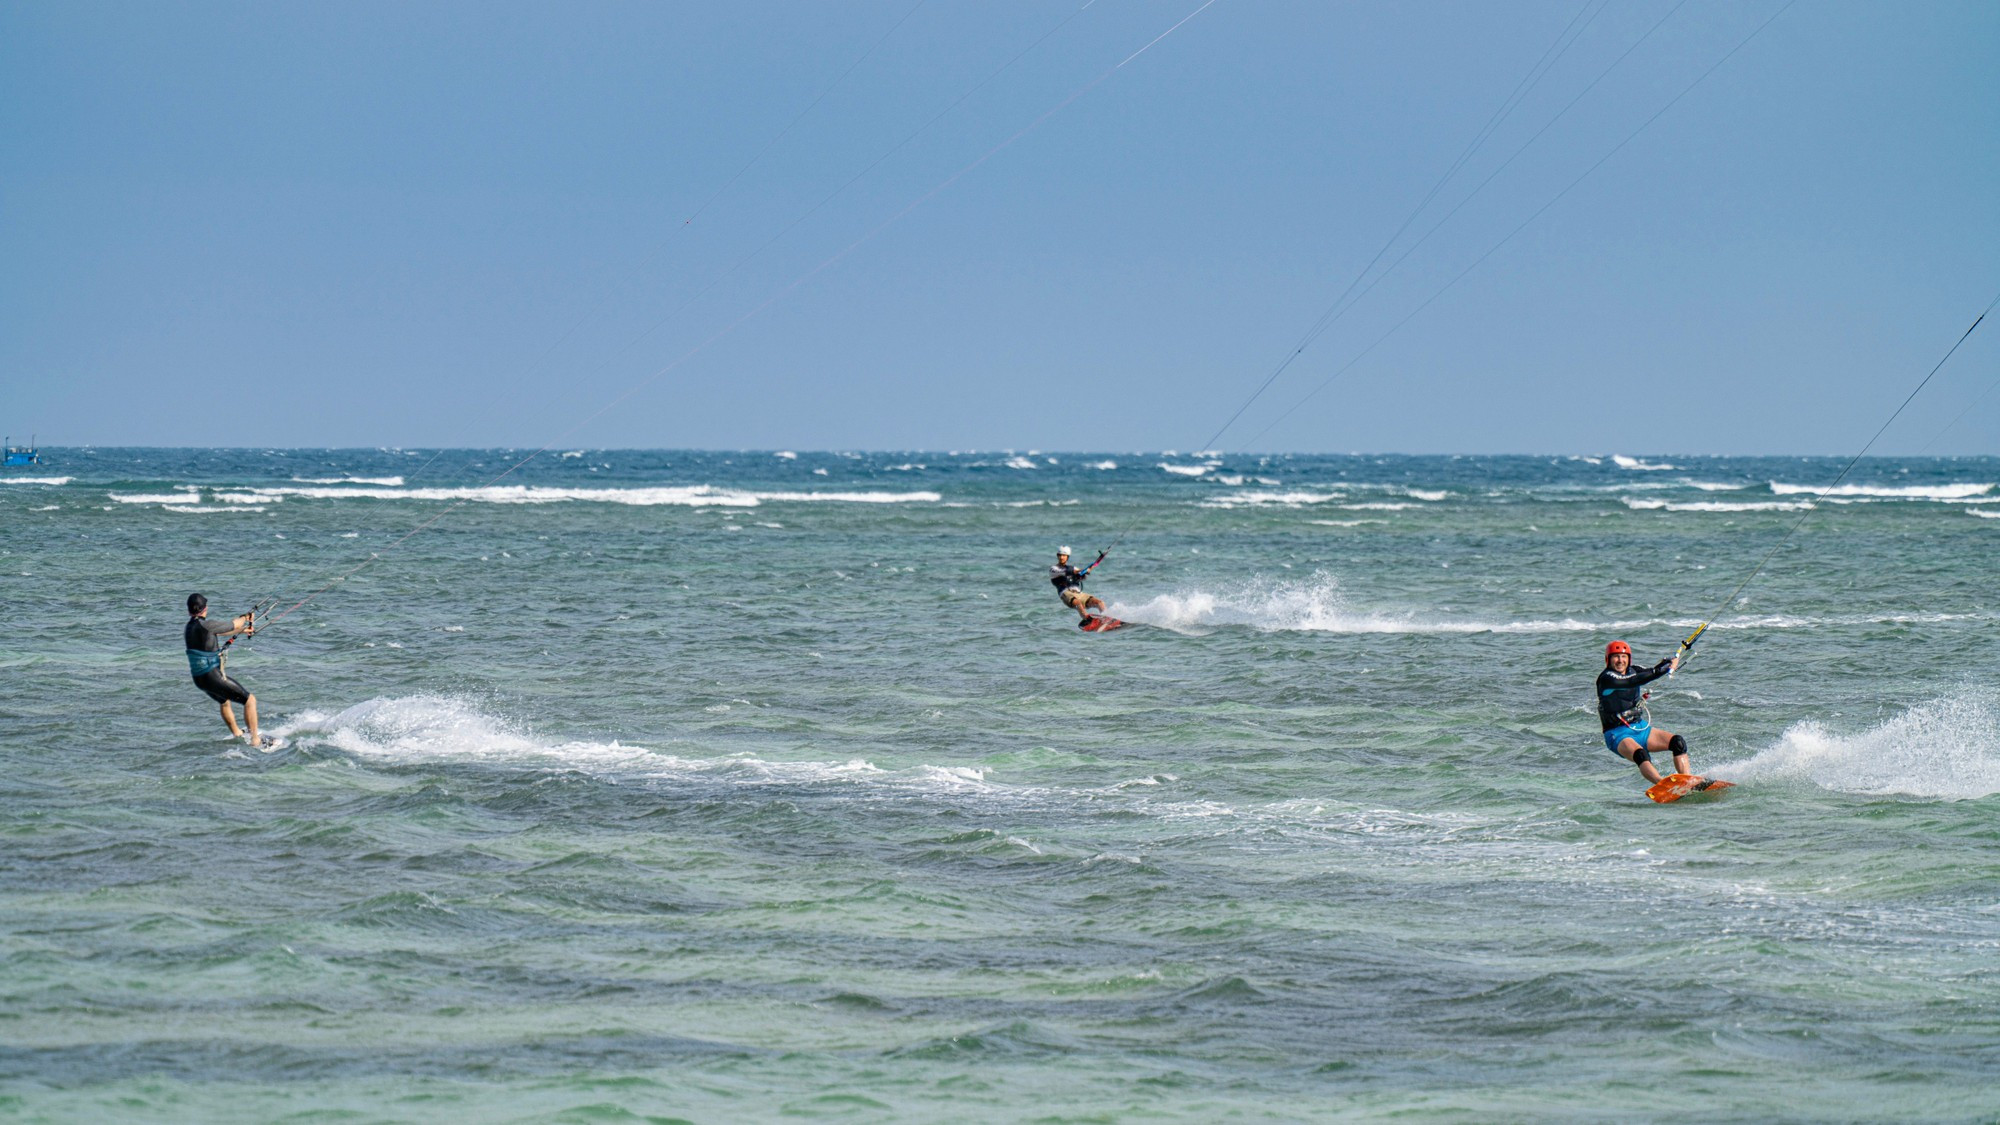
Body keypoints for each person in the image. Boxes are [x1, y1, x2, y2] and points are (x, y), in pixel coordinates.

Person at [1596, 640, 1698, 785]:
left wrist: (1670, 661)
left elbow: (1652, 670)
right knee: (1640, 754)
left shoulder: (1634, 669)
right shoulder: (1607, 678)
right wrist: (1662, 670)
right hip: (1617, 734)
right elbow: (1632, 681)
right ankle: (1662, 785)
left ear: (1629, 659)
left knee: (1678, 743)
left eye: (1623, 657)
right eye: (1616, 657)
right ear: (1608, 659)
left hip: (1639, 728)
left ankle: (1688, 781)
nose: (1620, 660)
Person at [185, 593, 266, 747]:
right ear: (205, 609)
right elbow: (233, 624)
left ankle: (237, 733)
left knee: (224, 701)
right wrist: (245, 617)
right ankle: (255, 740)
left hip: (199, 678)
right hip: (211, 675)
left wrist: (241, 631)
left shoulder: (190, 627)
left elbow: (219, 632)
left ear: (189, 611)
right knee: (250, 700)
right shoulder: (206, 624)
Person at [1049, 546, 1104, 622]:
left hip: (1079, 593)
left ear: (1067, 557)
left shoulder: (1074, 568)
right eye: (1060, 555)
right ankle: (1087, 620)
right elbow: (1069, 572)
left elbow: (1081, 575)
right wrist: (1081, 571)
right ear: (1057, 556)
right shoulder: (1053, 569)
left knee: (1099, 602)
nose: (1061, 557)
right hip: (1065, 593)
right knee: (1078, 603)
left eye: (1064, 555)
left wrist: (1087, 570)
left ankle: (1107, 619)